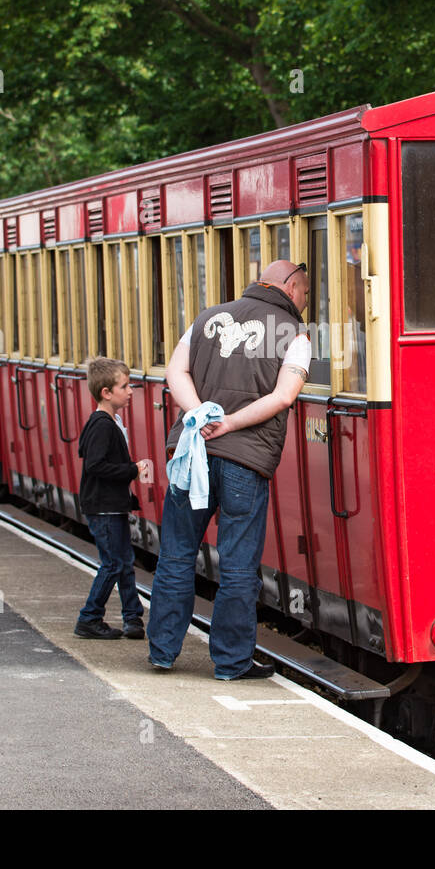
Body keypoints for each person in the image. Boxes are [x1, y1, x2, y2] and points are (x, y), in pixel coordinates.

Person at [148, 259, 311, 679]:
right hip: (244, 461)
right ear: (290, 288)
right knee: (237, 567)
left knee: (177, 556)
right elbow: (284, 396)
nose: (306, 302)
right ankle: (230, 663)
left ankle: (163, 652)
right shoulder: (296, 335)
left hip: (191, 458)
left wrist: (199, 415)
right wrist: (230, 424)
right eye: (306, 293)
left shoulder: (206, 318)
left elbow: (174, 371)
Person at [74, 357, 151, 640]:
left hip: (112, 505)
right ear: (106, 392)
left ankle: (133, 619)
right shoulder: (102, 425)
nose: (131, 391)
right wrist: (132, 470)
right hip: (103, 507)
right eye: (125, 386)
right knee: (113, 564)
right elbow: (95, 465)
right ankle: (89, 618)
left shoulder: (112, 421)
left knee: (124, 561)